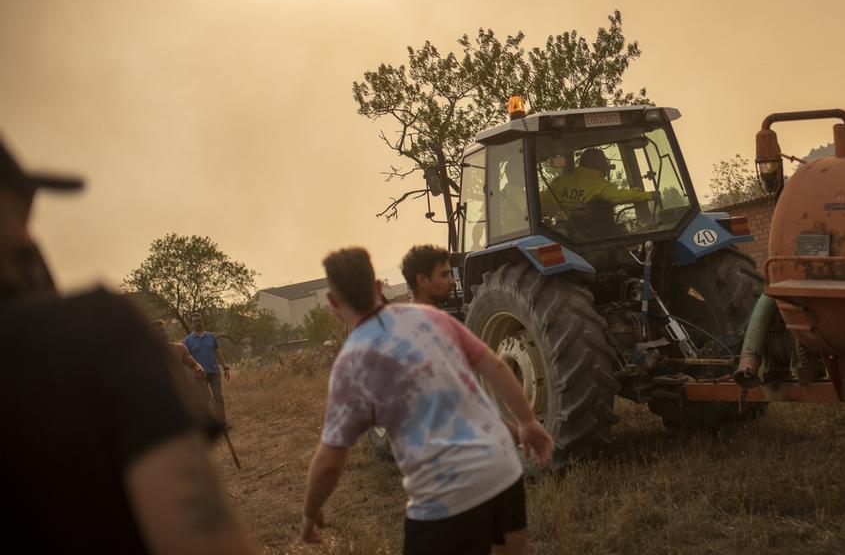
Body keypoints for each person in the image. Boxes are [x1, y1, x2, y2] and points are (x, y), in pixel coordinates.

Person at [0, 135, 257, 554]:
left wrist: (210, 370)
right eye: (23, 207)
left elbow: (194, 360)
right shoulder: (100, 328)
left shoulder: (192, 341)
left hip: (203, 377)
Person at [301, 246, 554, 554]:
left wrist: (310, 513)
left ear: (332, 301)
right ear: (379, 287)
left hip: (444, 499)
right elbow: (496, 366)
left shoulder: (350, 364)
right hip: (502, 472)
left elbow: (330, 460)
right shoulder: (431, 318)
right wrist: (527, 421)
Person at [540, 148, 657, 237]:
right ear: (596, 163)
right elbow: (619, 196)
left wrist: (560, 209)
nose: (607, 164)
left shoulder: (560, 182)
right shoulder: (599, 184)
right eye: (604, 160)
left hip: (563, 235)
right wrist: (649, 195)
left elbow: (538, 200)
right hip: (591, 235)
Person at [185, 312, 231, 425]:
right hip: (200, 376)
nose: (197, 323)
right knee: (205, 401)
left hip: (214, 372)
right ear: (191, 324)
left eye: (199, 320)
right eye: (195, 321)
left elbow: (217, 352)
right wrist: (191, 374)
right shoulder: (188, 340)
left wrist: (225, 367)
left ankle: (223, 422)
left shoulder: (210, 336)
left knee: (218, 398)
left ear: (202, 321)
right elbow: (187, 359)